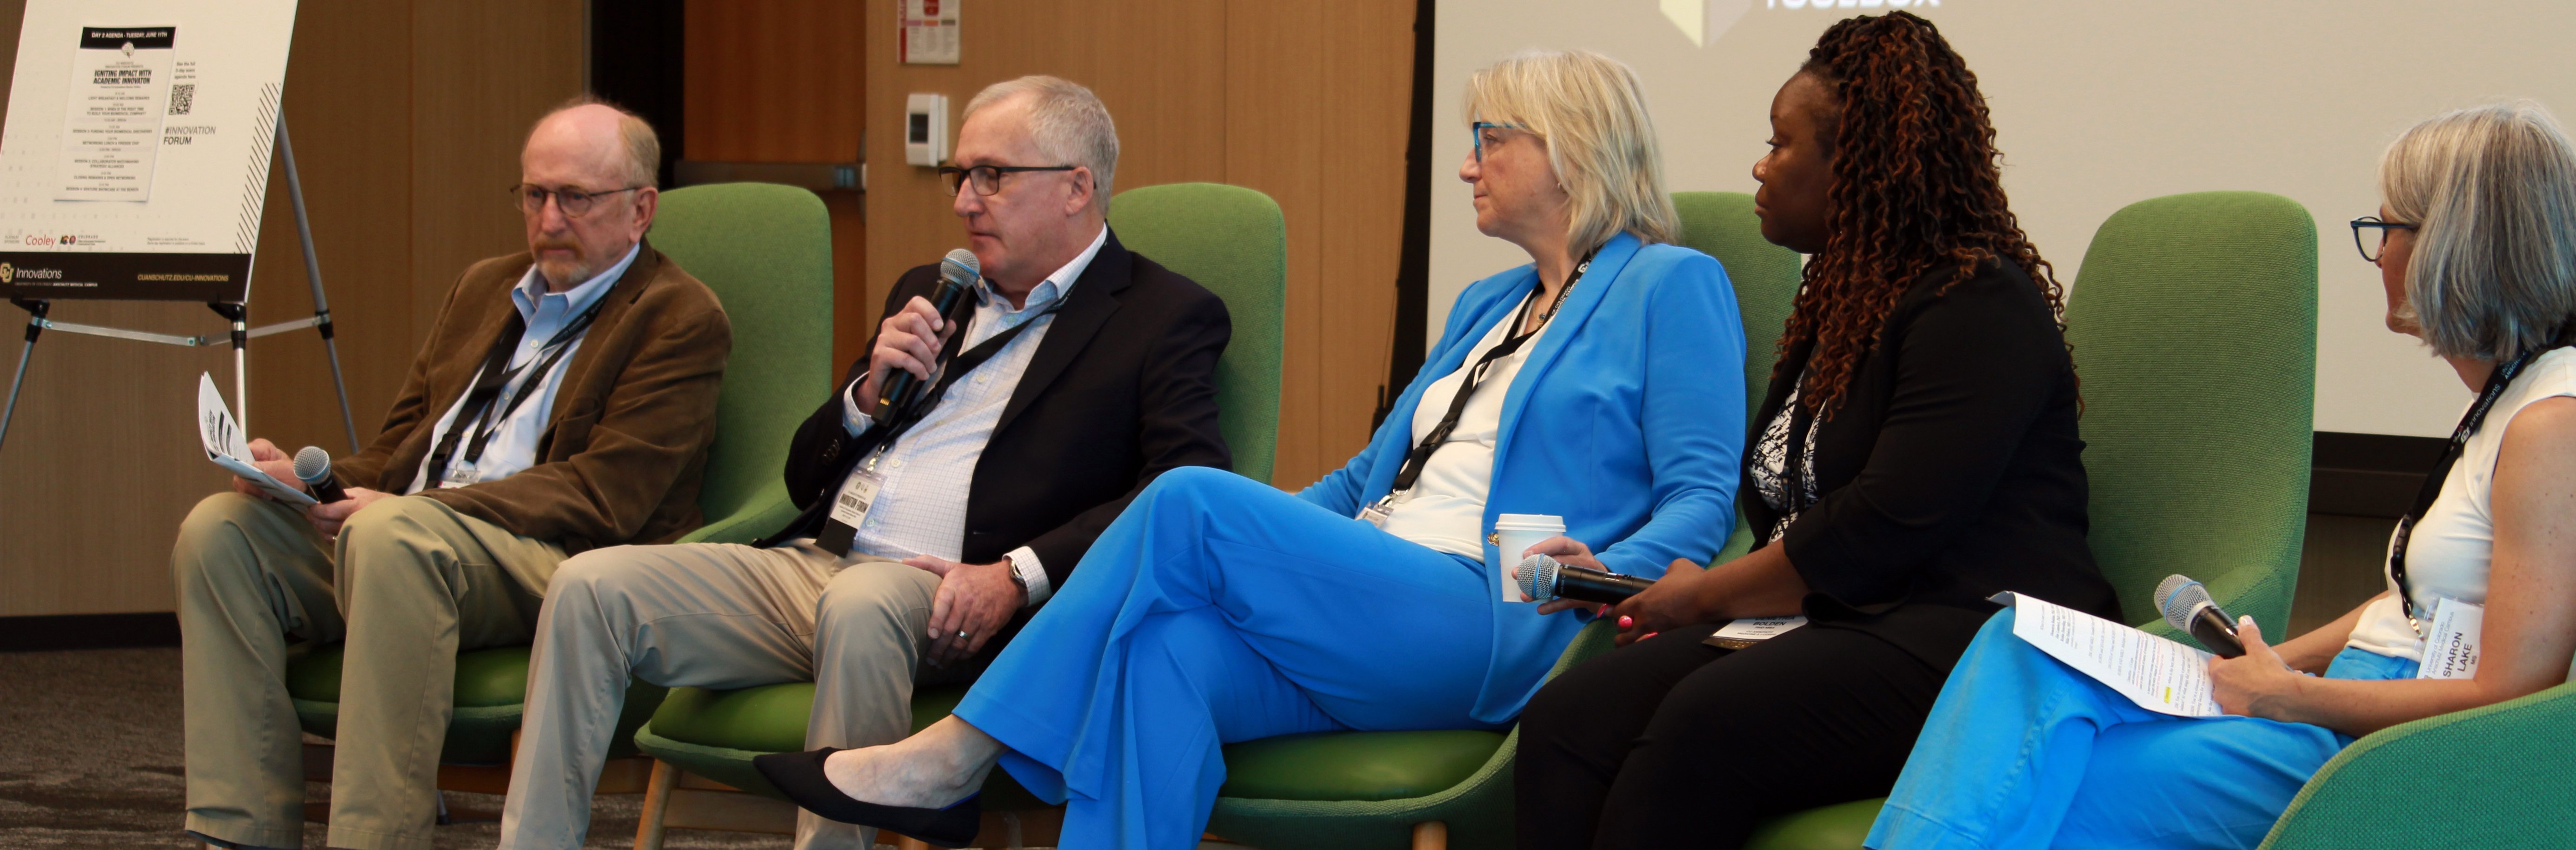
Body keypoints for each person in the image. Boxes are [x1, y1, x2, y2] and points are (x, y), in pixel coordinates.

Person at [749, 49, 1746, 849]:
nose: (1466, 163)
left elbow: (1702, 494)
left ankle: (957, 753)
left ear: (1568, 149)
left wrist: (1615, 581)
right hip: (1376, 589)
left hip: (1499, 610)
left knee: (1190, 497)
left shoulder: (1670, 283)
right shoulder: (1488, 303)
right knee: (1163, 650)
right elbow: (1364, 482)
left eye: (1487, 139)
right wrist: (1254, 545)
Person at [1864, 100, 2576, 850]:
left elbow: (2509, 695)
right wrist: (2263, 665)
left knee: (2049, 785)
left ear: (2458, 244)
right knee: (2021, 645)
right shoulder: (2522, 397)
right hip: (2347, 702)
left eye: (2389, 227)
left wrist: (2293, 696)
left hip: (2384, 750)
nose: (2379, 251)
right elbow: (2416, 610)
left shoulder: (2559, 429)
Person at [495, 76, 1233, 850]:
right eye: (960, 177)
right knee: (590, 586)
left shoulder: (1161, 315)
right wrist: (863, 396)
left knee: (866, 602)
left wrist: (1017, 574)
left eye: (993, 176)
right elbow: (800, 481)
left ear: (1077, 187)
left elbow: (1183, 487)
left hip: (951, 593)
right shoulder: (933, 290)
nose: (963, 201)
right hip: (815, 564)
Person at [1509, 13, 2121, 850]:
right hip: (1844, 620)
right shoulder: (1842, 306)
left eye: (1781, 144)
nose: (1760, 167)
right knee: (1570, 718)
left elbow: (1882, 525)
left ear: (1858, 164)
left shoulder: (1977, 302)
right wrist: (1652, 584)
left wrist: (1710, 593)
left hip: (1978, 638)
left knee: (1704, 725)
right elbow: (1795, 517)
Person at [170, 98, 730, 850]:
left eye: (576, 198)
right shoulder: (483, 288)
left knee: (397, 536)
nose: (550, 219)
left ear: (641, 209)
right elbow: (399, 447)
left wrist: (417, 509)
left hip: (552, 559)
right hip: (405, 533)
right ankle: (239, 832)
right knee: (221, 533)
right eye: (534, 195)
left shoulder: (678, 316)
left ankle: (375, 840)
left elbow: (607, 495)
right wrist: (311, 484)